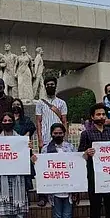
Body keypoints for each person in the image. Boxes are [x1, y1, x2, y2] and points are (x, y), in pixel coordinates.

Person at [36, 123, 78, 218]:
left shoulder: (70, 147)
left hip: (69, 189)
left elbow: (76, 166)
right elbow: (42, 168)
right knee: (58, 217)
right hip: (53, 190)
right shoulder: (45, 149)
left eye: (60, 133)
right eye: (55, 133)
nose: (58, 135)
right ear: (51, 134)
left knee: (67, 217)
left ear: (64, 133)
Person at [36, 77, 68, 207]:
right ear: (45, 86)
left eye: (52, 84)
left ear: (55, 86)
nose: (50, 86)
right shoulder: (40, 103)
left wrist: (65, 139)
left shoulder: (62, 103)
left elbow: (64, 121)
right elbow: (38, 121)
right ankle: (42, 196)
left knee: (59, 167)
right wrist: (40, 139)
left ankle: (59, 191)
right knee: (42, 169)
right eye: (48, 84)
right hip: (45, 139)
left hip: (59, 138)